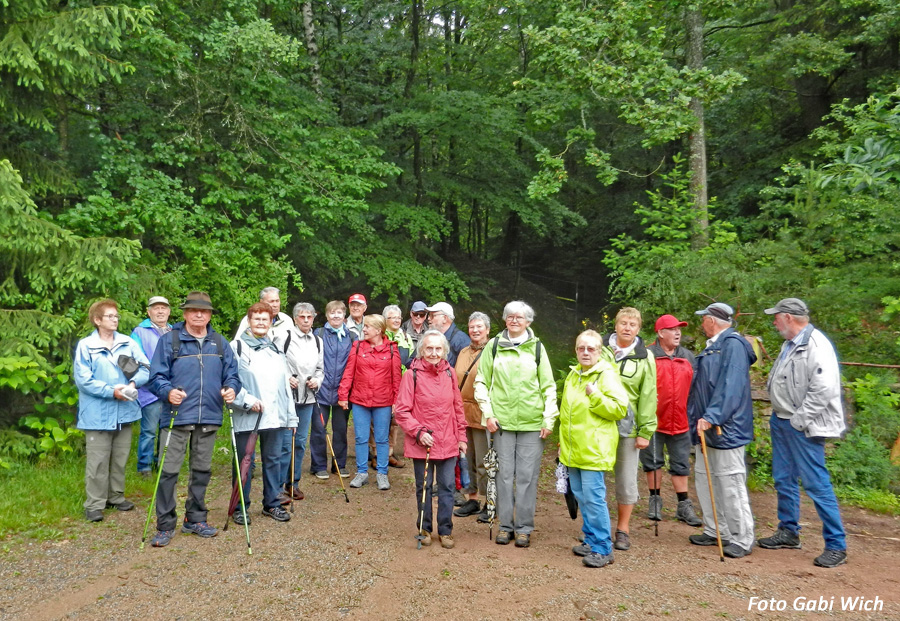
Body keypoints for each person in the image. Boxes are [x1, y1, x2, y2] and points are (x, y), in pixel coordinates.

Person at [757, 298, 848, 568]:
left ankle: (836, 545)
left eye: (776, 317)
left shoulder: (816, 345)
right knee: (783, 478)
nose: (774, 322)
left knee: (816, 484)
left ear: (788, 317)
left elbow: (824, 389)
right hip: (782, 420)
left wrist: (799, 420)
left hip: (803, 426)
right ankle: (789, 531)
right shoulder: (791, 343)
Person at [148, 291, 241, 547]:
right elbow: (155, 377)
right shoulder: (170, 341)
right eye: (193, 310)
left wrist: (231, 388)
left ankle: (195, 519)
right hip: (176, 417)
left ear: (210, 315)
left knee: (201, 471)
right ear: (185, 313)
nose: (199, 314)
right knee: (168, 472)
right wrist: (168, 392)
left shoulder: (220, 343)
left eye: (204, 311)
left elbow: (232, 375)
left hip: (209, 415)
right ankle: (165, 525)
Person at [474, 300, 558, 548]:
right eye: (509, 316)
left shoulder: (537, 348)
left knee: (526, 477)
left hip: (532, 424)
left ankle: (523, 528)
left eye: (519, 317)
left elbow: (549, 387)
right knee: (502, 476)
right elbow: (481, 382)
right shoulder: (494, 345)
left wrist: (548, 418)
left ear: (528, 322)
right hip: (501, 423)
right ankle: (505, 526)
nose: (514, 320)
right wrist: (488, 414)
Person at [687, 302, 757, 558]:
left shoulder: (733, 346)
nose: (701, 322)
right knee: (707, 479)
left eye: (703, 318)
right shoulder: (715, 346)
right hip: (706, 427)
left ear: (712, 320)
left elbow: (731, 386)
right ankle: (717, 530)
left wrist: (713, 416)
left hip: (725, 428)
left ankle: (742, 537)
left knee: (730, 482)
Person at [74, 299, 150, 522]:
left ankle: (116, 497)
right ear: (97, 320)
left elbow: (146, 367)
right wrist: (111, 391)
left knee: (120, 457)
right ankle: (94, 504)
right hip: (96, 413)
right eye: (110, 316)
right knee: (97, 461)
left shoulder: (127, 343)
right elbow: (83, 380)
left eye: (116, 316)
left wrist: (133, 385)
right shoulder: (86, 346)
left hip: (125, 411)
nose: (115, 319)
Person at [560, 330, 630, 568]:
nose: (586, 352)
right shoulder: (574, 375)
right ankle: (591, 541)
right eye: (581, 348)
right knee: (582, 496)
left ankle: (603, 548)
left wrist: (596, 395)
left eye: (591, 348)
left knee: (594, 499)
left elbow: (620, 409)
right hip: (574, 449)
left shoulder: (606, 375)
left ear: (600, 352)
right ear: (576, 350)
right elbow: (568, 415)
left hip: (594, 449)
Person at [393, 330, 467, 549]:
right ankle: (424, 529)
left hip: (448, 441)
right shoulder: (412, 374)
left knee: (446, 487)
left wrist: (461, 437)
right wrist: (418, 432)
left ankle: (445, 530)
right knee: (423, 487)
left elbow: (458, 407)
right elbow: (402, 411)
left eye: (438, 349)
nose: (434, 353)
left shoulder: (450, 373)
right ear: (421, 350)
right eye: (429, 348)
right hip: (423, 442)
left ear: (444, 351)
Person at [230, 302, 297, 524]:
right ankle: (240, 507)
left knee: (273, 461)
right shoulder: (237, 347)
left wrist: (290, 416)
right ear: (249, 321)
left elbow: (285, 387)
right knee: (244, 462)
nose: (261, 322)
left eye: (265, 319)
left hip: (275, 417)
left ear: (270, 323)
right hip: (248, 415)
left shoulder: (276, 350)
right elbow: (230, 382)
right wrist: (247, 401)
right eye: (256, 318)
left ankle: (271, 504)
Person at [602, 307, 657, 551]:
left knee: (625, 480)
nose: (627, 327)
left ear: (638, 329)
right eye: (623, 323)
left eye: (632, 324)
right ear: (615, 325)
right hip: (598, 422)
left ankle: (623, 529)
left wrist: (645, 431)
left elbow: (648, 394)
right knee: (595, 477)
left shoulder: (645, 356)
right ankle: (596, 527)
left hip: (628, 425)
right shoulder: (598, 349)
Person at [643, 314, 702, 527]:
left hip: (681, 421)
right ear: (660, 333)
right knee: (652, 461)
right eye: (672, 329)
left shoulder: (688, 357)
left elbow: (696, 389)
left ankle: (683, 505)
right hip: (654, 420)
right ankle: (655, 500)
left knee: (681, 464)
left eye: (680, 329)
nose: (678, 333)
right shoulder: (647, 355)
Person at [338, 314, 401, 490]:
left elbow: (397, 379)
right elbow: (349, 372)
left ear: (378, 330)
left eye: (367, 327)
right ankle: (362, 473)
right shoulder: (357, 347)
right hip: (359, 400)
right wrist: (343, 395)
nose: (363, 329)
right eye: (363, 327)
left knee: (382, 439)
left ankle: (382, 474)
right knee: (360, 438)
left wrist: (397, 402)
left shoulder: (391, 350)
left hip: (383, 401)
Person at [275, 302, 324, 492]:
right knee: (286, 442)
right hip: (288, 398)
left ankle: (293, 483)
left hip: (308, 398)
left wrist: (317, 382)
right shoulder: (284, 337)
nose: (305, 320)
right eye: (302, 316)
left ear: (313, 318)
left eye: (309, 316)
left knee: (301, 442)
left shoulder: (317, 341)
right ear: (295, 318)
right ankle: (278, 486)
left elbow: (320, 369)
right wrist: (287, 378)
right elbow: (276, 362)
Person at [311, 300, 357, 479]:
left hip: (342, 392)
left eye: (339, 312)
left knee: (340, 429)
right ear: (327, 315)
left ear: (344, 315)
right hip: (321, 390)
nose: (336, 315)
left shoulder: (352, 337)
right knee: (318, 428)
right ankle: (318, 465)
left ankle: (339, 464)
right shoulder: (319, 334)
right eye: (332, 312)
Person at [453, 312, 491, 520]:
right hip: (462, 413)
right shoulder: (463, 351)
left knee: (484, 460)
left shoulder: (493, 352)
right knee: (467, 459)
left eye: (479, 327)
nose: (475, 330)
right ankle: (473, 498)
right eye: (472, 327)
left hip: (483, 413)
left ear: (487, 329)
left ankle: (489, 502)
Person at [130, 296, 172, 476]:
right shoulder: (139, 332)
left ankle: (162, 464)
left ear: (169, 312)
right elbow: (136, 358)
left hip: (170, 389)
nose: (160, 311)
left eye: (164, 308)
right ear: (149, 312)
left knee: (166, 429)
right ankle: (144, 467)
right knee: (148, 431)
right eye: (156, 308)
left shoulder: (173, 331)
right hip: (149, 390)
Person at [383, 304, 414, 468]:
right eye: (392, 317)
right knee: (380, 419)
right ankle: (376, 453)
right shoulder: (381, 336)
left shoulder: (406, 337)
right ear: (385, 320)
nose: (396, 320)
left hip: (401, 385)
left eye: (398, 317)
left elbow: (411, 361)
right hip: (383, 384)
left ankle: (389, 452)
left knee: (395, 419)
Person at [425, 302, 470, 366]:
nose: (428, 318)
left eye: (432, 316)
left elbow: (465, 369)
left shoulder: (461, 341)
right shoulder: (428, 338)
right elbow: (411, 360)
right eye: (429, 315)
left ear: (445, 319)